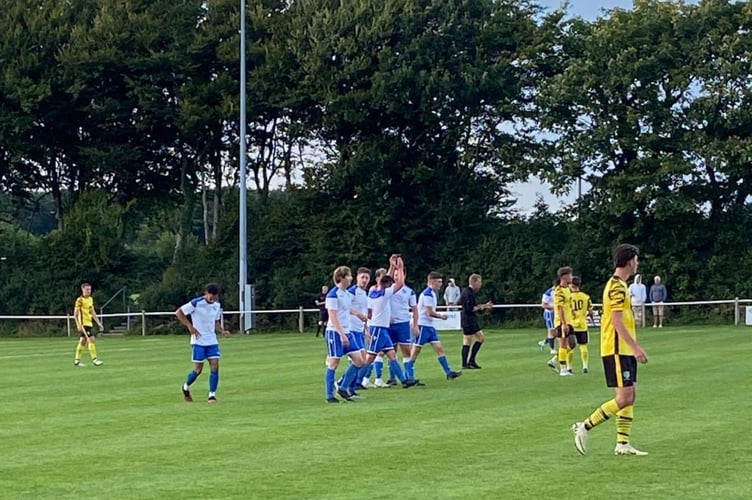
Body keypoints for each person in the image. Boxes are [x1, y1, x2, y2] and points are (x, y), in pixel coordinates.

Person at [572, 244, 649, 456]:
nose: (637, 263)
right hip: (616, 348)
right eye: (636, 259)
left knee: (629, 395)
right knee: (624, 397)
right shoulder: (616, 287)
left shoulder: (621, 285)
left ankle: (622, 444)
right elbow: (616, 321)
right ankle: (584, 426)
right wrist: (635, 347)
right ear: (630, 260)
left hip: (622, 348)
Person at [365, 256, 418, 389]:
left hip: (382, 327)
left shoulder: (376, 290)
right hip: (377, 327)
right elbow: (398, 284)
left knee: (392, 354)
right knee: (370, 357)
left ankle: (404, 380)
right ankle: (359, 379)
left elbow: (385, 281)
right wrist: (399, 267)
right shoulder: (382, 294)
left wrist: (392, 266)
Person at [176, 283, 231, 403]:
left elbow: (215, 321)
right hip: (198, 340)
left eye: (214, 296)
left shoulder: (217, 305)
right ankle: (185, 387)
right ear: (206, 293)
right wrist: (190, 326)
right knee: (198, 370)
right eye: (210, 295)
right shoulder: (197, 303)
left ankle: (212, 395)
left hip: (212, 340)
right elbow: (179, 312)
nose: (211, 298)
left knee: (215, 366)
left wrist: (222, 331)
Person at [404, 272, 462, 380]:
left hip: (429, 326)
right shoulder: (427, 294)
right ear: (432, 282)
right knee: (415, 352)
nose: (441, 284)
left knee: (439, 349)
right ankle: (408, 376)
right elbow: (429, 312)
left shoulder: (432, 293)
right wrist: (441, 316)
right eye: (439, 282)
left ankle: (449, 372)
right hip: (422, 326)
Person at [323, 266, 365, 403]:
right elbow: (333, 316)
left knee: (359, 360)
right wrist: (341, 335)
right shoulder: (332, 294)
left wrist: (358, 314)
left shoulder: (346, 294)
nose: (351, 278)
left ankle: (343, 386)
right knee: (334, 362)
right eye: (349, 275)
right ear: (341, 278)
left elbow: (346, 309)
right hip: (335, 333)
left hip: (347, 332)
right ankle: (329, 395)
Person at [459, 274, 493, 369]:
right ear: (474, 282)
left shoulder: (470, 292)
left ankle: (471, 360)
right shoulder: (467, 293)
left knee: (481, 338)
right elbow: (470, 308)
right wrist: (483, 306)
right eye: (479, 282)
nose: (480, 284)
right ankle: (465, 363)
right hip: (468, 320)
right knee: (467, 340)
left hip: (471, 319)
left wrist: (483, 306)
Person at [73, 282, 105, 367]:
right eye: (87, 289)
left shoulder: (90, 299)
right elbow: (75, 314)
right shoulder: (79, 300)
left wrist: (99, 323)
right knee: (91, 339)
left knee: (83, 341)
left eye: (90, 289)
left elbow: (92, 312)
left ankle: (77, 360)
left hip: (89, 323)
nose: (89, 291)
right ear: (82, 289)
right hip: (83, 324)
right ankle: (95, 360)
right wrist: (78, 325)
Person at [554, 267, 575, 376]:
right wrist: (564, 323)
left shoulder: (568, 289)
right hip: (562, 321)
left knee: (571, 344)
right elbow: (560, 308)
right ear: (564, 276)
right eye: (570, 275)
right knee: (563, 344)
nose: (572, 277)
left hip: (569, 320)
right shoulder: (559, 290)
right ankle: (563, 369)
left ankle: (555, 359)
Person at [570, 276, 593, 373]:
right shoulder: (586, 297)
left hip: (571, 325)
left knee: (570, 347)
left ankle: (569, 367)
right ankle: (585, 366)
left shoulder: (569, 297)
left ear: (572, 285)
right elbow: (590, 310)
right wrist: (591, 319)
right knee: (583, 346)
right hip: (582, 324)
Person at [540, 279, 559, 368]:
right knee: (551, 331)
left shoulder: (560, 292)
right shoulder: (548, 292)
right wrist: (553, 307)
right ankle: (552, 348)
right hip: (550, 313)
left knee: (557, 331)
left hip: (556, 313)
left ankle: (544, 342)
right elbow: (543, 305)